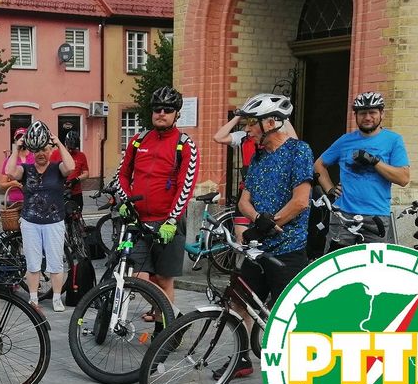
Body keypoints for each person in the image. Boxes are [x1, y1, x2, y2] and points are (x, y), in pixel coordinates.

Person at [235, 93, 314, 377]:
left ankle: (299, 373)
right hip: (259, 246)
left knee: (288, 314)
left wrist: (272, 223)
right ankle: (240, 359)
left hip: (287, 248)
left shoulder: (299, 151)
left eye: (252, 123)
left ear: (271, 122)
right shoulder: (257, 157)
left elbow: (301, 200)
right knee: (240, 302)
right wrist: (258, 221)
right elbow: (244, 200)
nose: (247, 129)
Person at [117, 86, 198, 319]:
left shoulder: (185, 145)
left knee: (163, 279)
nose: (161, 113)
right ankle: (172, 315)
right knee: (138, 276)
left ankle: (165, 328)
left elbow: (186, 185)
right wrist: (126, 200)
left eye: (168, 109)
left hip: (167, 220)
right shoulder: (138, 140)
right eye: (157, 109)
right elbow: (122, 174)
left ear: (176, 114)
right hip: (139, 221)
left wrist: (172, 219)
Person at [314, 91, 409, 245]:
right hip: (343, 215)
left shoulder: (393, 140)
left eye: (372, 112)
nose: (367, 117)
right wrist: (330, 190)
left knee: (372, 267)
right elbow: (319, 165)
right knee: (337, 264)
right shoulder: (345, 140)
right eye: (362, 113)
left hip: (376, 216)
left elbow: (403, 178)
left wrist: (374, 161)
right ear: (356, 116)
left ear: (382, 114)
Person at [3, 121, 75, 313]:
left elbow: (71, 167)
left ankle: (57, 298)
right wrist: (17, 149)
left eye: (45, 149)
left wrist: (58, 143)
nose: (41, 154)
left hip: (54, 222)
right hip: (30, 222)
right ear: (32, 152)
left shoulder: (57, 168)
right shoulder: (26, 170)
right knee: (33, 262)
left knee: (55, 262)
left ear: (50, 150)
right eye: (37, 151)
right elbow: (10, 172)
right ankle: (33, 298)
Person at [213, 97, 298, 241]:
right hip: (246, 190)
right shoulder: (244, 137)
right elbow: (218, 137)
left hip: (269, 191)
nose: (248, 127)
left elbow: (294, 143)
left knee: (266, 234)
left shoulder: (278, 142)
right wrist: (240, 114)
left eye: (252, 122)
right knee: (242, 238)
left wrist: (282, 117)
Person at [51, 131, 90, 211]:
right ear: (65, 143)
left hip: (76, 193)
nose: (71, 151)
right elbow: (50, 172)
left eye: (73, 149)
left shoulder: (81, 155)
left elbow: (86, 173)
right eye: (69, 148)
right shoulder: (56, 154)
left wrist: (77, 179)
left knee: (77, 218)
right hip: (60, 192)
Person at [0, 127, 34, 205]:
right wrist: (12, 183)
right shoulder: (10, 160)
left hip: (33, 201)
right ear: (15, 141)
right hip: (15, 202)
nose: (21, 141)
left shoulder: (35, 157)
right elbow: (1, 185)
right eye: (19, 138)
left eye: (23, 138)